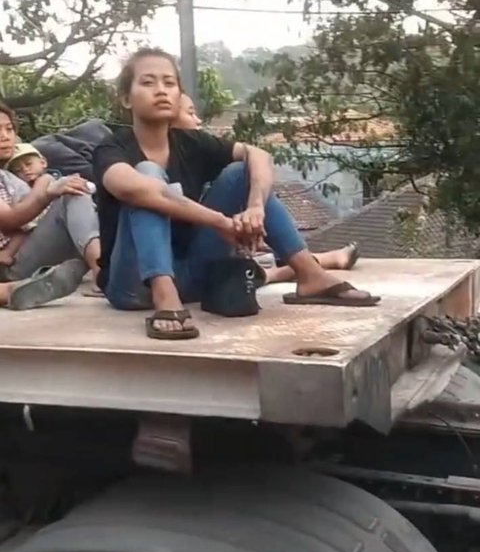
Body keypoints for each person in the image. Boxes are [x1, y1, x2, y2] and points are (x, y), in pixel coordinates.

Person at [93, 47, 379, 341]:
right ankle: (163, 295)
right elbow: (134, 189)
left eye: (169, 82)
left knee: (240, 173)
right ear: (126, 98)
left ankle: (310, 275)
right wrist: (221, 223)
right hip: (131, 284)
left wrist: (255, 207)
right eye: (148, 82)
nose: (161, 91)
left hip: (192, 277)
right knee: (148, 176)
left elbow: (259, 155)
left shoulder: (191, 142)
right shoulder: (111, 148)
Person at [171, 94, 361, 284]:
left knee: (246, 178)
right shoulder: (145, 163)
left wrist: (256, 207)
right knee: (240, 178)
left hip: (202, 256)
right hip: (171, 277)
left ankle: (310, 267)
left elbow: (258, 155)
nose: (198, 120)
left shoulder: (194, 147)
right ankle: (314, 265)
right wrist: (225, 224)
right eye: (191, 113)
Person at [0, 103, 101, 309]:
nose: (4, 136)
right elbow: (9, 220)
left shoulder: (9, 177)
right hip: (10, 264)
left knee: (75, 191)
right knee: (70, 196)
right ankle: (102, 272)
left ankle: (100, 267)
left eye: (9, 129)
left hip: (23, 251)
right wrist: (46, 190)